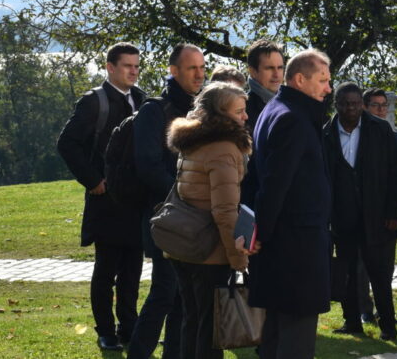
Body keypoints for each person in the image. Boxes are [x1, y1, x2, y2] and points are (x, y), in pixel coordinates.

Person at [56, 42, 146, 352]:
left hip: (135, 201)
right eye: (127, 66)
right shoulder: (94, 102)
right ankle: (106, 330)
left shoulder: (142, 100)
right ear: (110, 67)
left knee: (133, 269)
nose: (133, 71)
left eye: (136, 66)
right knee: (106, 269)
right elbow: (67, 144)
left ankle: (130, 327)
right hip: (105, 200)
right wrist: (93, 180)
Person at [249, 49, 334, 359]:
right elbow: (273, 185)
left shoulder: (276, 109)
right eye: (323, 80)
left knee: (275, 336)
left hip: (286, 245)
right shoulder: (292, 119)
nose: (328, 88)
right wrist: (262, 234)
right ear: (300, 79)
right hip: (295, 248)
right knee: (295, 341)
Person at [165, 82, 258, 359]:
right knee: (210, 330)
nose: (245, 117)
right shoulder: (223, 149)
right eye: (239, 111)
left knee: (192, 321)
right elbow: (225, 210)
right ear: (221, 114)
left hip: (184, 245)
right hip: (209, 251)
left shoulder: (193, 141)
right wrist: (238, 257)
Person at [126, 44, 206, 359]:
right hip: (166, 217)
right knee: (164, 293)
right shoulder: (153, 111)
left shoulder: (200, 110)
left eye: (202, 67)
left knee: (183, 300)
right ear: (173, 71)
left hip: (195, 219)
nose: (199, 74)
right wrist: (184, 195)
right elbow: (147, 166)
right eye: (191, 68)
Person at [324, 83, 397, 341]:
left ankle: (388, 326)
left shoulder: (381, 131)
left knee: (380, 275)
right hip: (342, 218)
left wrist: (394, 211)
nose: (351, 108)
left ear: (362, 104)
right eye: (345, 104)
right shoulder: (325, 134)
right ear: (336, 104)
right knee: (346, 273)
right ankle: (352, 322)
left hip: (378, 216)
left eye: (356, 103)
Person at [241, 39, 285, 211]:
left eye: (280, 68)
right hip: (252, 205)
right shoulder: (242, 110)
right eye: (269, 68)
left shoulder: (289, 107)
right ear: (253, 71)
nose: (276, 74)